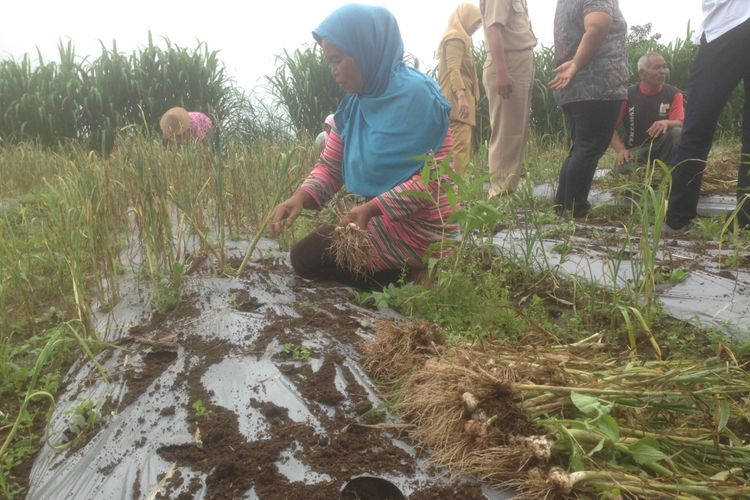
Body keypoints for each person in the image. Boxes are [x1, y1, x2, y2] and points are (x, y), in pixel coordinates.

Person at [268, 4, 455, 289]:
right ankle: (401, 277)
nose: (333, 71)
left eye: (337, 59)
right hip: (379, 220)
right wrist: (299, 197)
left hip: (424, 229)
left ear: (366, 50)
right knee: (305, 256)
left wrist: (373, 208)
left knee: (311, 259)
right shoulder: (354, 107)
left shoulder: (420, 99)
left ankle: (414, 274)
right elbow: (330, 167)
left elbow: (433, 183)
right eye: (329, 62)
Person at [665, 1, 750, 232]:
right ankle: (746, 218)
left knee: (697, 125)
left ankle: (677, 218)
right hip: (725, 23)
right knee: (696, 126)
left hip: (725, 26)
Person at [549, 0, 628, 218]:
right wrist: (576, 64)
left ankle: (562, 207)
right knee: (589, 148)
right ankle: (577, 210)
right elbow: (598, 25)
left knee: (581, 147)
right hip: (597, 84)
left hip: (576, 87)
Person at [481, 0, 537, 197]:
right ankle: (499, 194)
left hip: (518, 61)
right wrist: (502, 72)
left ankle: (506, 190)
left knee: (515, 132)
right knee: (506, 133)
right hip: (508, 62)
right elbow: (493, 29)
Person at [610, 52, 684, 175]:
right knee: (623, 171)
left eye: (664, 67)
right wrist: (621, 150)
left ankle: (669, 173)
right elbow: (610, 128)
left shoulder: (673, 94)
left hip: (663, 148)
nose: (662, 71)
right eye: (656, 67)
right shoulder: (627, 96)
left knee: (677, 132)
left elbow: (680, 123)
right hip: (636, 151)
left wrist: (667, 122)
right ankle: (650, 173)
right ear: (642, 73)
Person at [436, 3, 482, 177]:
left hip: (458, 99)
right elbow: (453, 69)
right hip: (457, 101)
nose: (476, 27)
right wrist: (461, 96)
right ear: (465, 18)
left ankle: (458, 190)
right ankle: (457, 193)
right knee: (458, 147)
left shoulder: (460, 38)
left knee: (460, 145)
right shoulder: (455, 38)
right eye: (475, 23)